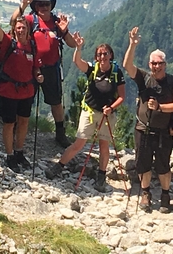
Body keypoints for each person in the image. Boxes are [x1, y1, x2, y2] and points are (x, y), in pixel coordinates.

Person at [45, 34, 125, 192]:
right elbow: (77, 62)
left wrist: (111, 108)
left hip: (107, 114)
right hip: (89, 111)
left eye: (105, 53)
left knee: (104, 146)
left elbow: (122, 96)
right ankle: (59, 166)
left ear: (111, 55)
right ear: (96, 57)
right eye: (100, 54)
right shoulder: (92, 69)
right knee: (79, 143)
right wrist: (78, 48)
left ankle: (101, 176)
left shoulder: (117, 72)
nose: (102, 56)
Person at [123, 26, 173, 212]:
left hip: (164, 131)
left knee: (163, 164)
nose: (156, 66)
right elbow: (127, 65)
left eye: (160, 63)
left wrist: (160, 107)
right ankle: (146, 192)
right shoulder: (144, 78)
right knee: (143, 162)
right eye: (153, 63)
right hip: (143, 128)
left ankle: (165, 194)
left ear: (165, 64)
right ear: (149, 64)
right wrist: (132, 45)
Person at [11, 0, 78, 148]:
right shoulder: (30, 20)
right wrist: (23, 4)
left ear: (50, 5)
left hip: (51, 68)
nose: (44, 7)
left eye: (46, 4)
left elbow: (72, 43)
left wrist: (65, 30)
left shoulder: (56, 23)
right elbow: (13, 22)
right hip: (32, 67)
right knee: (25, 99)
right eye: (40, 4)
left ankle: (60, 134)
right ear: (35, 7)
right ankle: (16, 130)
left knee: (56, 102)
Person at [0, 0, 43, 173]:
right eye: (18, 28)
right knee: (9, 123)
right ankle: (10, 155)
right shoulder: (8, 43)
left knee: (24, 122)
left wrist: (39, 75)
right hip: (8, 90)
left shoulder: (32, 46)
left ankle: (19, 152)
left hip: (27, 91)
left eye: (24, 27)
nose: (21, 30)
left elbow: (36, 67)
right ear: (14, 29)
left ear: (28, 29)